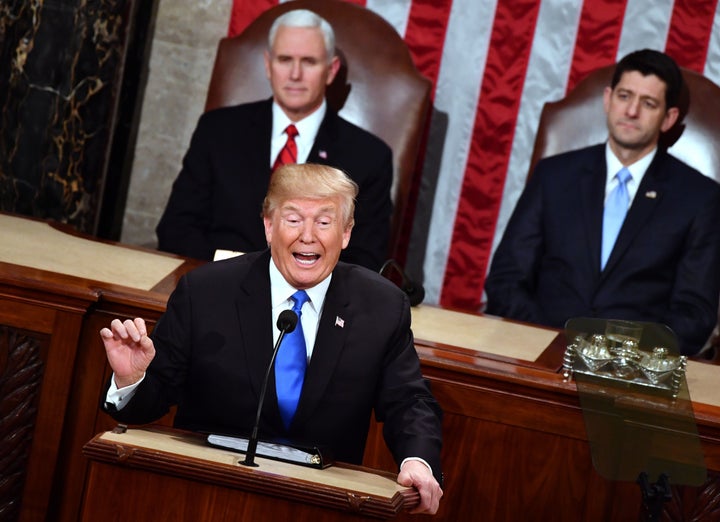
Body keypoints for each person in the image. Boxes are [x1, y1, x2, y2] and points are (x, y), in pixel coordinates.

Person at [101, 164, 443, 514]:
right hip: (205, 499)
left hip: (321, 507)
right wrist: (132, 379)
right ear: (268, 226)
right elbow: (153, 399)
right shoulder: (206, 292)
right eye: (293, 219)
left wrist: (417, 460)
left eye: (324, 222)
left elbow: (409, 401)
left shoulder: (382, 306)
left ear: (346, 233)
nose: (307, 236)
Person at [485, 49, 720, 356]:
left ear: (668, 118)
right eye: (624, 96)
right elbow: (506, 280)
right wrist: (550, 343)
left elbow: (694, 314)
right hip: (539, 354)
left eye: (648, 103)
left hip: (632, 373)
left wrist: (621, 356)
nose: (631, 111)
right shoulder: (554, 176)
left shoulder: (699, 198)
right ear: (608, 100)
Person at [155, 8, 392, 271]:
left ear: (331, 70)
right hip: (216, 285)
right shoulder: (218, 130)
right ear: (268, 65)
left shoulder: (369, 156)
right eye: (284, 59)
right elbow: (176, 229)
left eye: (309, 61)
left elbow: (365, 259)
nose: (295, 74)